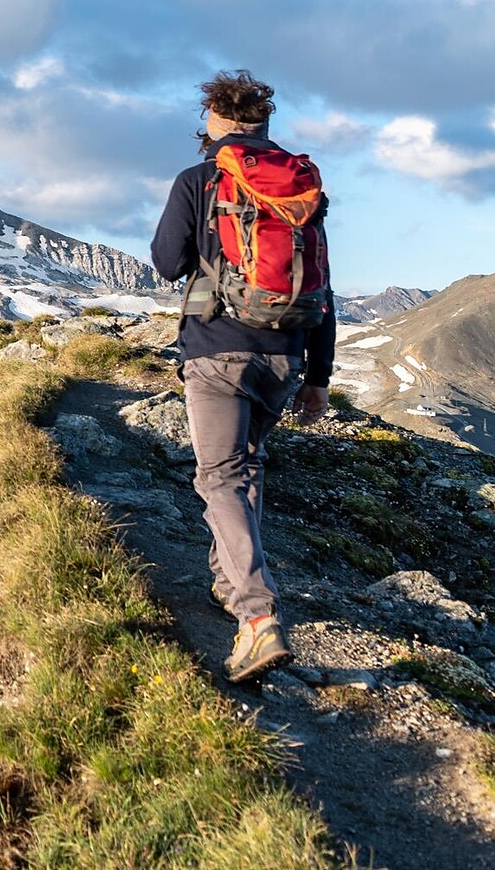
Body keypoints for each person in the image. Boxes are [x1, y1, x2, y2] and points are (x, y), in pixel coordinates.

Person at [149, 70, 335, 683]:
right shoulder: (300, 188)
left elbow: (168, 262)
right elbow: (324, 286)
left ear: (213, 123)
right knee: (245, 468)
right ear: (263, 123)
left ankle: (257, 618)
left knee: (220, 477)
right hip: (286, 353)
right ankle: (230, 587)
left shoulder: (199, 180)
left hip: (218, 350)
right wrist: (318, 377)